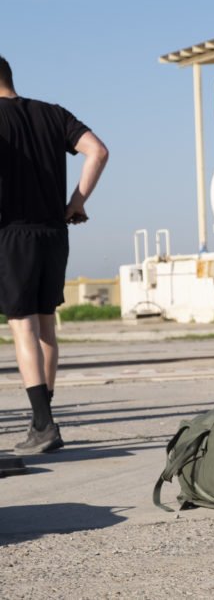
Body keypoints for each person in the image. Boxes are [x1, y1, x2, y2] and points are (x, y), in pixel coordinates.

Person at [0, 54, 109, 455]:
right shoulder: (52, 113)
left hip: (11, 234)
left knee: (22, 326)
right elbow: (97, 151)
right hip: (53, 232)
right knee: (46, 325)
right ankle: (41, 421)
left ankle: (44, 425)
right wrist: (76, 202)